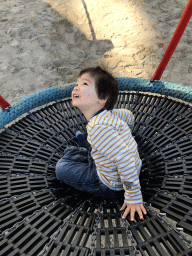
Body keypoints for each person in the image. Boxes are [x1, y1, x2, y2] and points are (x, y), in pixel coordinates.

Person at [56, 66, 147, 220]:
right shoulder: (112, 115)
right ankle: (87, 147)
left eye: (85, 84)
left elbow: (124, 159)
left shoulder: (98, 128)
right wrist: (125, 133)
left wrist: (133, 196)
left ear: (103, 97)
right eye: (77, 84)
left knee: (61, 168)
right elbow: (129, 116)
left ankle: (81, 150)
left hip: (109, 183)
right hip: (124, 169)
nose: (76, 87)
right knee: (93, 140)